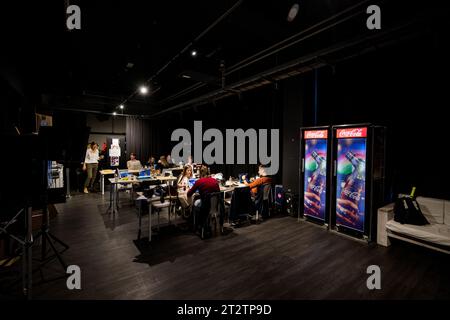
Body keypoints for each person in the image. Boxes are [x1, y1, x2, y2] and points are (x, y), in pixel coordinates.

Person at [187, 165, 220, 230]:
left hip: (205, 206)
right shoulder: (215, 181)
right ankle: (207, 221)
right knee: (203, 201)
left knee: (195, 202)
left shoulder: (199, 181)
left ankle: (196, 224)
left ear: (200, 173)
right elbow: (218, 192)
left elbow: (189, 194)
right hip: (215, 206)